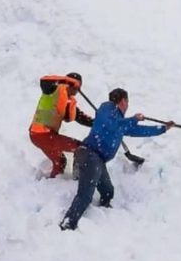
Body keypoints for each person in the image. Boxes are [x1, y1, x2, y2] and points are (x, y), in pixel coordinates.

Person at [59, 88, 174, 230]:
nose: (128, 106)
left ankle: (102, 215)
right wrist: (133, 119)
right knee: (85, 195)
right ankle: (67, 224)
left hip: (97, 160)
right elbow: (111, 124)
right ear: (123, 101)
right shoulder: (107, 108)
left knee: (108, 191)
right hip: (89, 154)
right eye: (127, 102)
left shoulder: (120, 122)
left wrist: (162, 128)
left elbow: (139, 131)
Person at [29, 73, 94, 178]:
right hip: (42, 134)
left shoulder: (68, 102)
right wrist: (68, 80)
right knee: (80, 148)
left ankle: (53, 183)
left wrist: (98, 123)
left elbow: (81, 118)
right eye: (76, 86)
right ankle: (78, 178)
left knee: (60, 161)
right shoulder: (53, 90)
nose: (77, 90)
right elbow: (44, 80)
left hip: (43, 136)